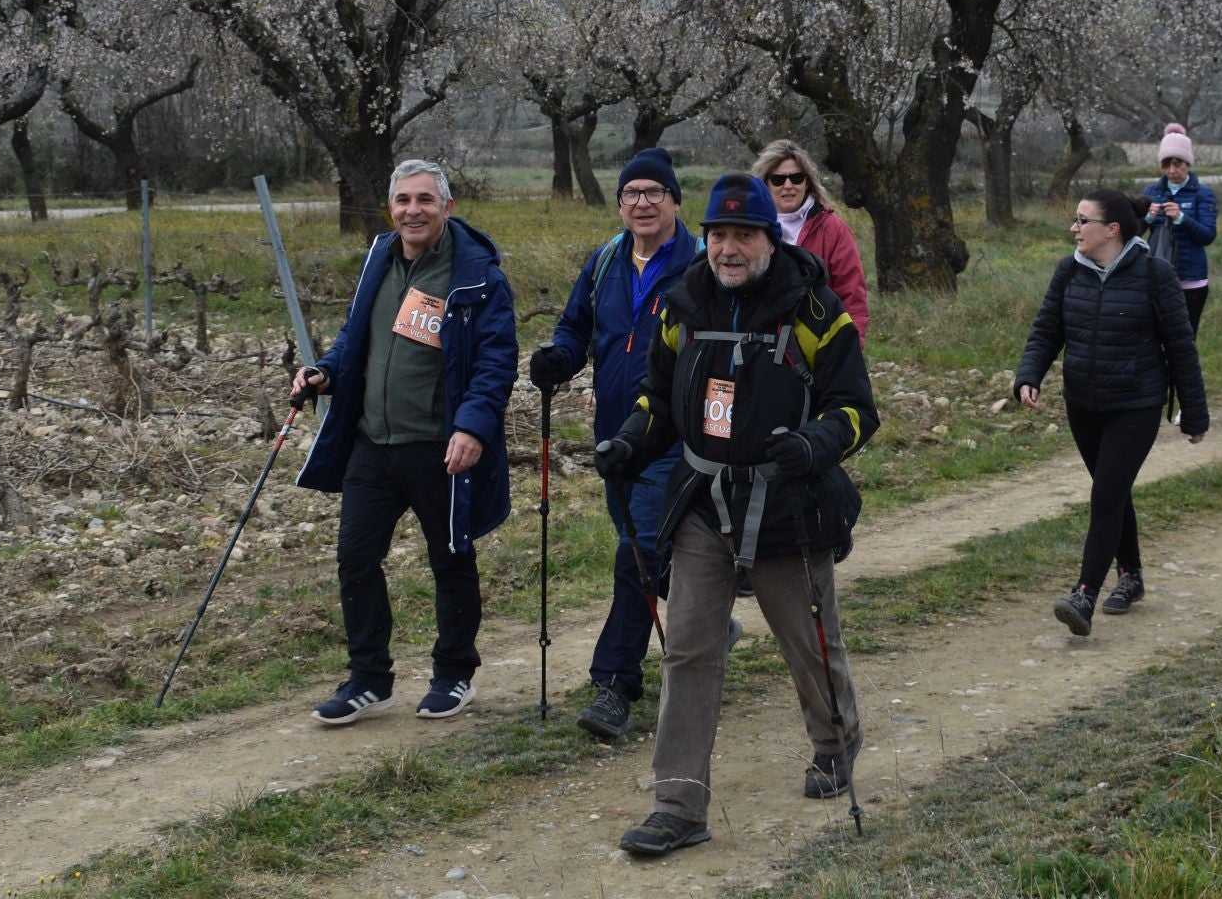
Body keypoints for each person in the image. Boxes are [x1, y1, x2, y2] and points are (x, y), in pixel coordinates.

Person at [602, 173, 878, 857]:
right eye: (719, 234)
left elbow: (855, 411)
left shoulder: (814, 311)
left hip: (790, 503)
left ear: (767, 238)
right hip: (703, 502)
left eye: (743, 235)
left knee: (808, 645)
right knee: (691, 650)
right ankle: (678, 802)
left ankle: (835, 744)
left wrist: (813, 443)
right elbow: (659, 401)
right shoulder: (682, 304)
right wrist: (631, 441)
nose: (728, 248)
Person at [292, 160, 518, 724]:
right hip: (373, 442)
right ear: (390, 208)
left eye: (424, 200)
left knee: (450, 560)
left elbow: (496, 362)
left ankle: (453, 673)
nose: (412, 211)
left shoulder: (478, 276)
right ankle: (369, 679)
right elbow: (355, 337)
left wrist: (472, 426)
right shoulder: (380, 259)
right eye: (402, 201)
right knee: (355, 558)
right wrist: (326, 371)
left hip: (439, 446)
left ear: (448, 206)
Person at [527, 148, 708, 740]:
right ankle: (704, 619)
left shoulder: (701, 265)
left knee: (637, 554)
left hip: (674, 434)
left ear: (675, 201)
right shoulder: (605, 260)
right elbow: (578, 327)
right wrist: (559, 357)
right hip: (614, 434)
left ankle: (615, 685)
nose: (642, 203)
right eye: (632, 193)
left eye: (655, 192)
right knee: (649, 548)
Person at [1015, 190, 1208, 635]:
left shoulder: (1154, 275)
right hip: (1083, 402)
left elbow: (1181, 347)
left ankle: (1084, 594)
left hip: (1136, 403)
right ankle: (1132, 575)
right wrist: (1030, 375)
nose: (1074, 228)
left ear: (1112, 229)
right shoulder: (1069, 271)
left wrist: (1194, 412)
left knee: (1104, 497)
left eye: (1083, 220)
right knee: (1113, 491)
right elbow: (1047, 329)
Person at [753, 139, 871, 344]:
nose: (788, 186)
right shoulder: (749, 229)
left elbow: (853, 298)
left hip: (818, 345)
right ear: (765, 183)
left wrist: (850, 350)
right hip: (758, 345)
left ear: (807, 181)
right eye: (779, 180)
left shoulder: (834, 230)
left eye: (796, 178)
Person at [1141, 123, 1218, 334]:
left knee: (1185, 337)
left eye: (1178, 164)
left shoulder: (1203, 194)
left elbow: (1208, 236)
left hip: (1191, 278)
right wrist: (1147, 217)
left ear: (1188, 163)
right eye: (1166, 165)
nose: (1172, 171)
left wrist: (1182, 218)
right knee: (1153, 335)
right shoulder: (1150, 192)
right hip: (1156, 273)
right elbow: (1133, 234)